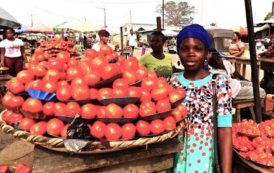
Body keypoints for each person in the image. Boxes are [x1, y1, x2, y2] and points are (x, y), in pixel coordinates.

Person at [168, 24, 232, 173]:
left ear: (207, 54)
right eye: (185, 48)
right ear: (178, 52)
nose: (191, 53)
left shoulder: (219, 83)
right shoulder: (171, 82)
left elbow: (225, 131)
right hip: (174, 157)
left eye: (197, 48)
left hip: (204, 159)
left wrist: (226, 170)